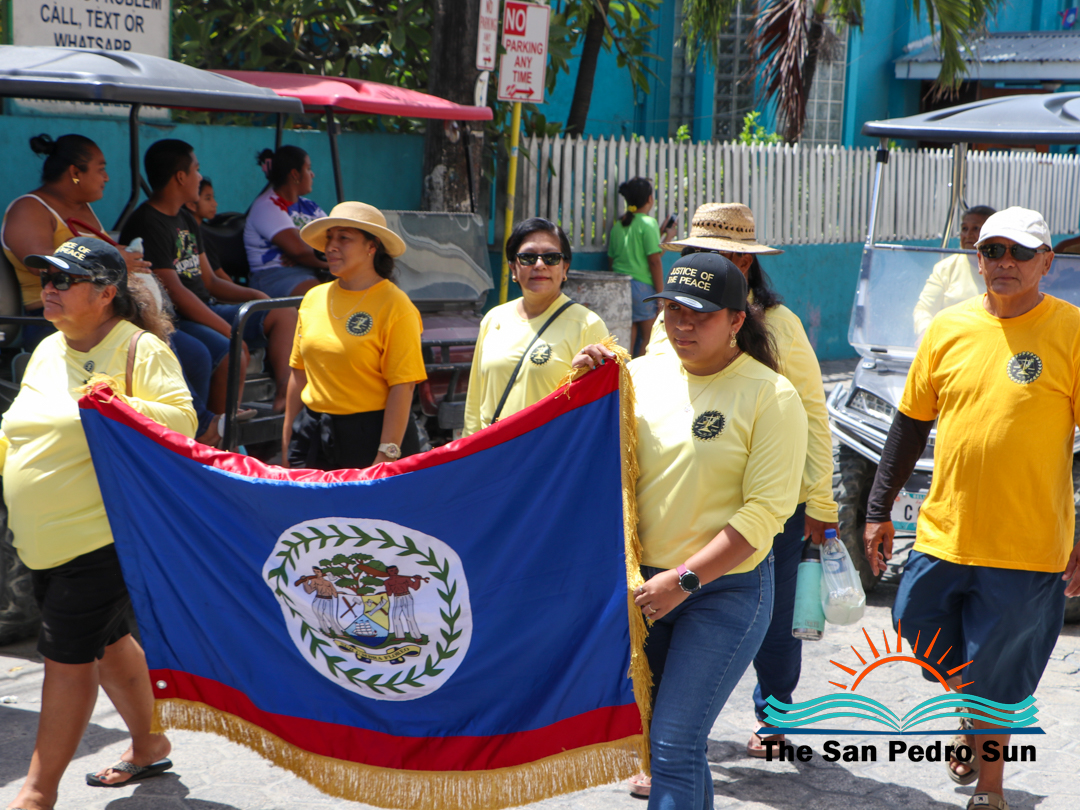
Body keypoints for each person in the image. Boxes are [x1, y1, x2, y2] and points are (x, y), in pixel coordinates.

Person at [863, 207, 1080, 810]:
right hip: (945, 533)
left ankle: (990, 789)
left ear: (1046, 262)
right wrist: (878, 509)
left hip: (1028, 544)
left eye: (1020, 252)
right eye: (992, 251)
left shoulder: (1071, 331)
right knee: (914, 624)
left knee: (999, 676)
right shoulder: (947, 328)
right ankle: (971, 703)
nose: (1005, 262)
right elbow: (910, 424)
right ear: (977, 259)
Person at [573, 252, 807, 810]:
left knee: (675, 742)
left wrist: (683, 580)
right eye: (674, 310)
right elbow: (585, 455)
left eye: (700, 315)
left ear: (736, 321)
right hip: (642, 589)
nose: (683, 324)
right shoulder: (638, 376)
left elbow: (763, 515)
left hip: (724, 591)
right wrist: (583, 385)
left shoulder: (771, 396)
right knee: (665, 745)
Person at [0, 237, 196, 810]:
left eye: (64, 280)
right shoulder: (48, 347)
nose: (49, 289)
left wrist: (114, 402)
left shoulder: (138, 349)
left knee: (66, 660)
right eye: (47, 278)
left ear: (107, 293)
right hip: (43, 538)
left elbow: (182, 422)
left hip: (102, 536)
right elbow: (19, 429)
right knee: (109, 642)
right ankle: (149, 743)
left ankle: (37, 793)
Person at [653, 201, 838, 759]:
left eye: (726, 255)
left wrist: (821, 502)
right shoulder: (672, 323)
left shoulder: (781, 326)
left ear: (746, 263)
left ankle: (774, 714)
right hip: (685, 502)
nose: (710, 262)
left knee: (774, 622)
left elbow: (812, 413)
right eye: (698, 252)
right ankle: (668, 737)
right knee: (666, 621)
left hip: (766, 506)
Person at [121, 139, 298, 414]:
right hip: (177, 317)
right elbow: (176, 292)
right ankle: (220, 425)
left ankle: (285, 398)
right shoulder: (147, 222)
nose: (200, 176)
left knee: (283, 313)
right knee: (232, 352)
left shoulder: (185, 219)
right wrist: (229, 331)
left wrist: (257, 297)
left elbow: (210, 281)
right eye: (196, 169)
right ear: (181, 177)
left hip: (206, 307)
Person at [283, 202, 427, 470]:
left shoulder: (396, 306)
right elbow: (298, 374)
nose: (331, 246)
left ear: (372, 246)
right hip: (313, 434)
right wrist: (288, 441)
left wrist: (386, 455)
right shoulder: (313, 298)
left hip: (372, 436)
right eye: (329, 238)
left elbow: (403, 386)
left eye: (344, 238)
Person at [2, 133, 149, 350]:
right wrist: (114, 262)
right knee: (190, 353)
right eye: (101, 169)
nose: (106, 177)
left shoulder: (83, 208)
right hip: (55, 317)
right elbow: (40, 263)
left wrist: (125, 256)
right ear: (76, 173)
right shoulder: (28, 208)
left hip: (102, 312)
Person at [463, 217, 608, 436]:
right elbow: (474, 402)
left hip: (549, 453)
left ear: (565, 267)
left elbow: (600, 409)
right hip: (492, 452)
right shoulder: (493, 320)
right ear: (513, 267)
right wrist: (468, 448)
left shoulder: (587, 325)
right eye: (528, 257)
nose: (539, 265)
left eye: (551, 257)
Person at [244, 145, 329, 297]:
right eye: (308, 169)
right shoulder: (267, 206)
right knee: (320, 297)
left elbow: (334, 239)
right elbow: (299, 251)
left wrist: (308, 254)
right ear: (295, 174)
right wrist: (336, 261)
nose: (313, 174)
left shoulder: (310, 206)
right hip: (275, 276)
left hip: (314, 270)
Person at [607, 177, 674, 356]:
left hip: (620, 287)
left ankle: (624, 370)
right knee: (648, 338)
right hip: (642, 290)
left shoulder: (618, 226)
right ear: (650, 199)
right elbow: (654, 261)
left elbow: (613, 260)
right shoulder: (648, 223)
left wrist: (663, 235)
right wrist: (661, 295)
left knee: (627, 336)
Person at [913, 205, 995, 337]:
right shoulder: (945, 268)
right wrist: (925, 332)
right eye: (964, 229)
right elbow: (924, 309)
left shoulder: (1005, 267)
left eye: (976, 228)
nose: (968, 235)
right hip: (950, 339)